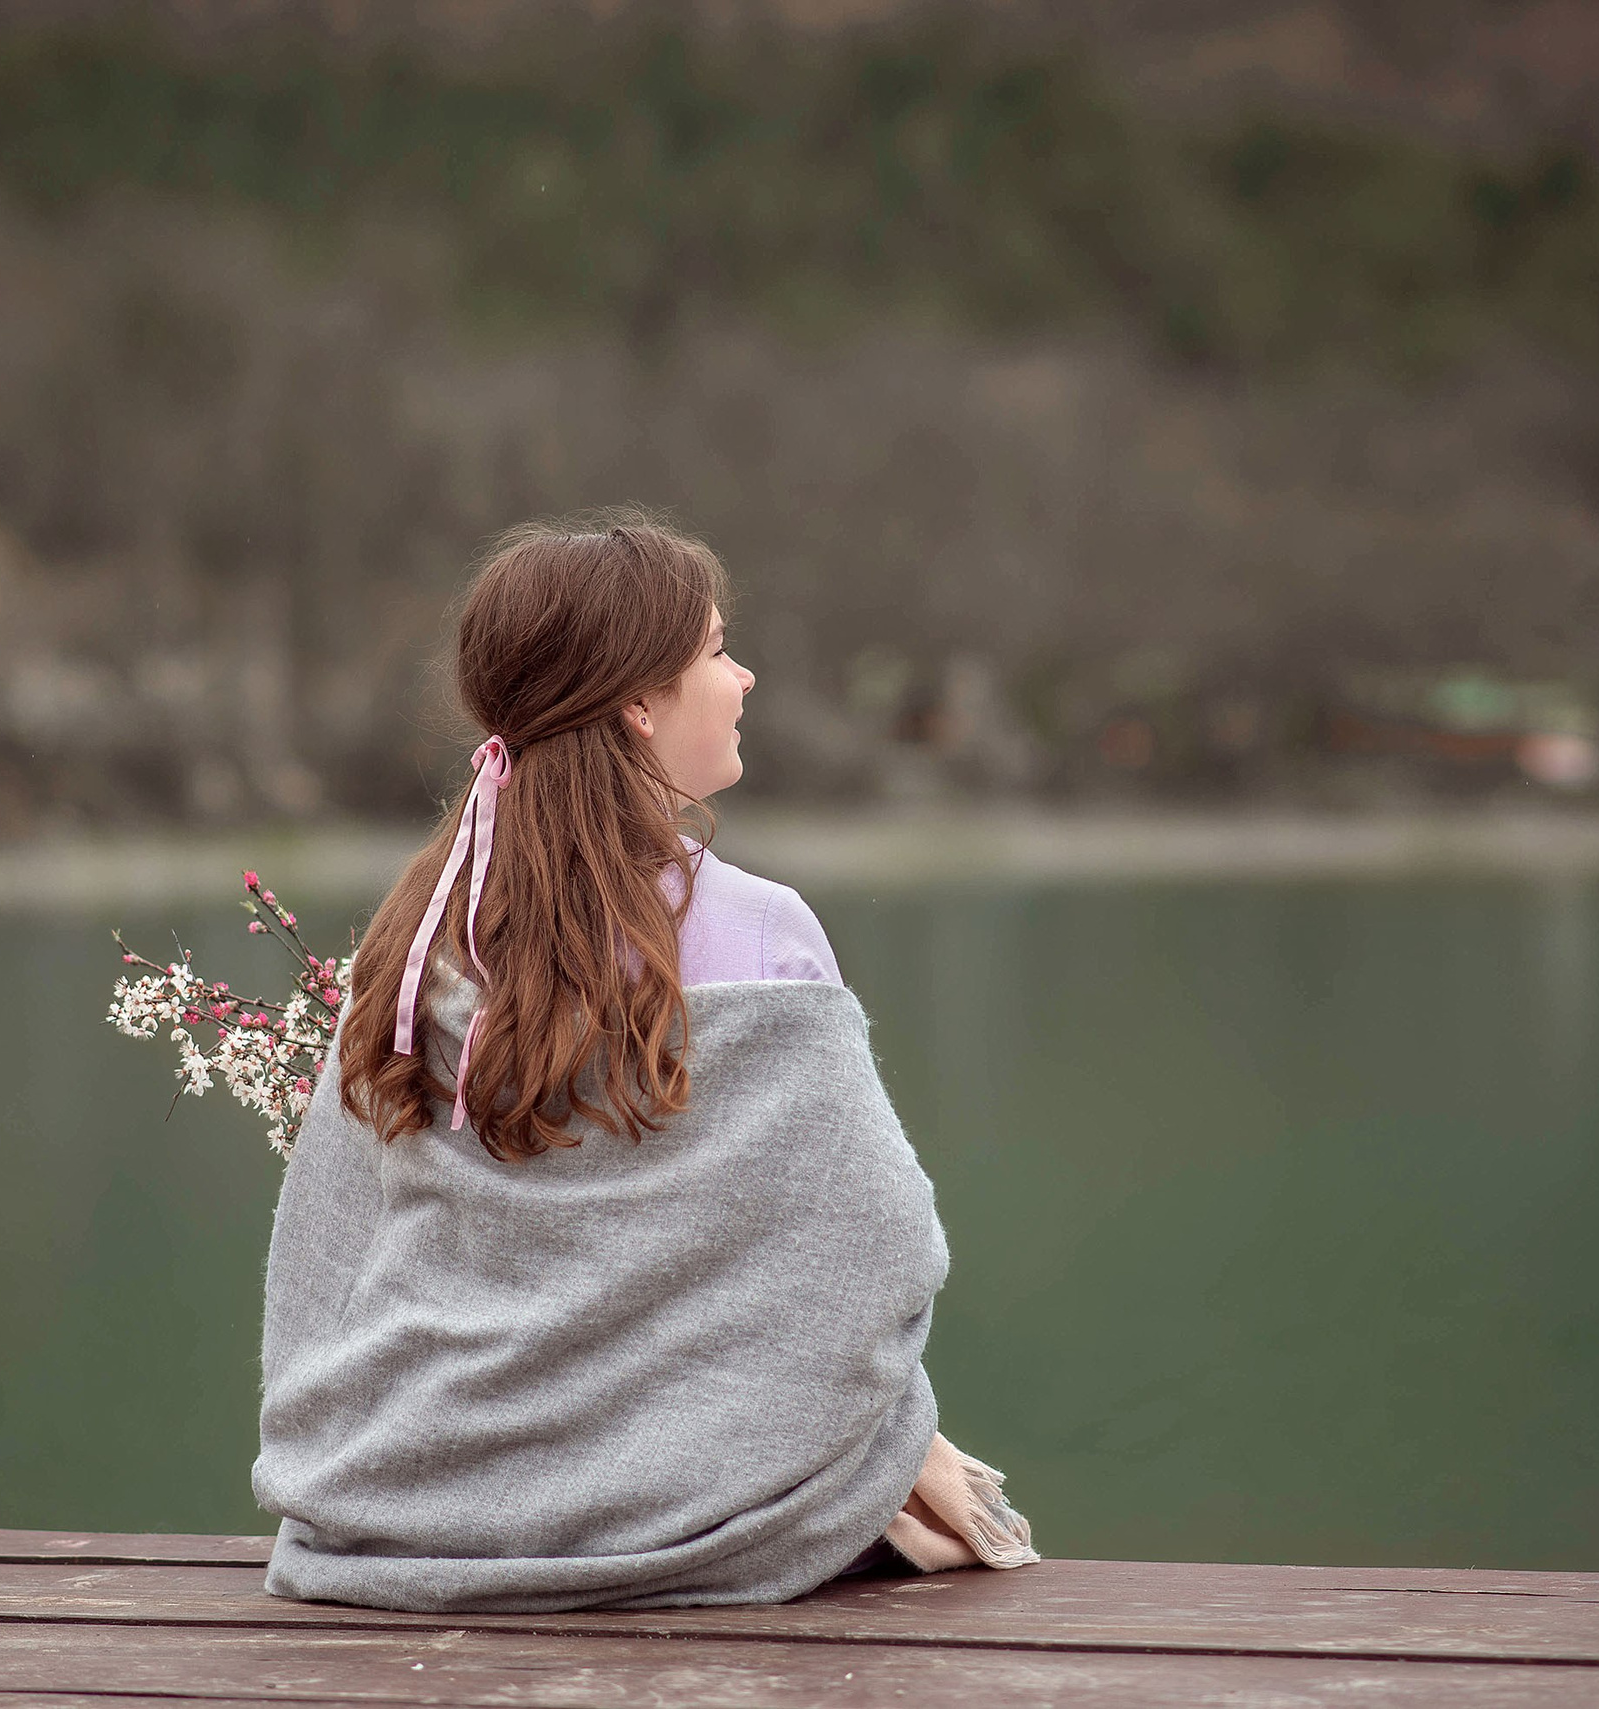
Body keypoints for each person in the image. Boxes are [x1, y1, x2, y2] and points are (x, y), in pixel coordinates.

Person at [252, 514, 1036, 1613]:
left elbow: (324, 1258)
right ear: (637, 701)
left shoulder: (415, 937)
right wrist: (862, 1441)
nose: (744, 675)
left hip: (419, 1492)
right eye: (717, 650)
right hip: (694, 1511)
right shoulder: (761, 932)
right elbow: (877, 1252)